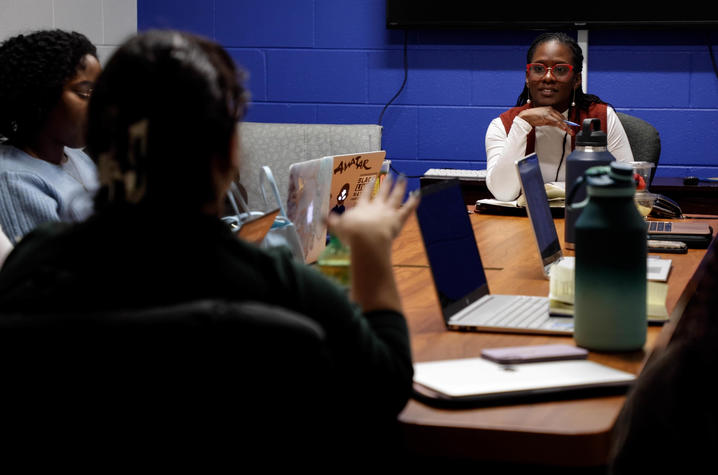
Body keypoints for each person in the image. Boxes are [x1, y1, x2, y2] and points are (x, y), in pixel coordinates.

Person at [0, 30, 419, 465]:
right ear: (228, 154)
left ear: (99, 145)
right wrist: (370, 253)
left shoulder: (32, 264)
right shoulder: (281, 286)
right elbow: (385, 388)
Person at [485, 32, 634, 202]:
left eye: (560, 70)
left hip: (587, 219)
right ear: (527, 77)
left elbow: (629, 183)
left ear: (576, 79)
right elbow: (503, 193)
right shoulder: (503, 125)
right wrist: (522, 124)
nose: (548, 78)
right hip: (525, 222)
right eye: (539, 69)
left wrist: (557, 189)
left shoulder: (601, 118)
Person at [0, 29, 100, 244]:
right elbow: (51, 272)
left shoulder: (76, 157)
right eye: (84, 94)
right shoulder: (13, 178)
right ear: (40, 96)